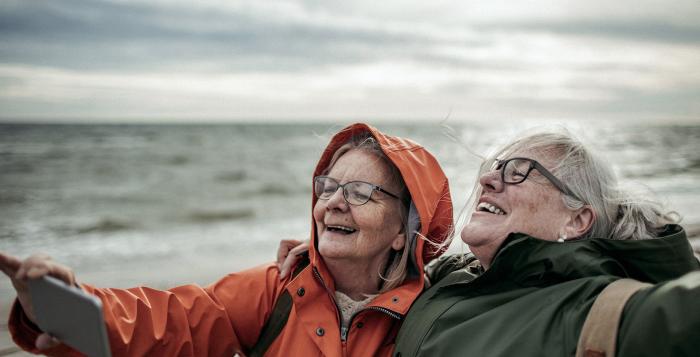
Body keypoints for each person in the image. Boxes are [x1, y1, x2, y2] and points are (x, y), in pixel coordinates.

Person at [0, 123, 453, 356]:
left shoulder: (434, 318)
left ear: (402, 231)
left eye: (361, 193)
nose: (334, 202)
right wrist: (61, 305)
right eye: (328, 187)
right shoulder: (275, 291)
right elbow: (170, 324)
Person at [280, 129, 700, 356]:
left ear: (577, 219)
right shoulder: (453, 277)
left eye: (519, 170)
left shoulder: (598, 308)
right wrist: (338, 259)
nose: (486, 179)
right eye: (492, 167)